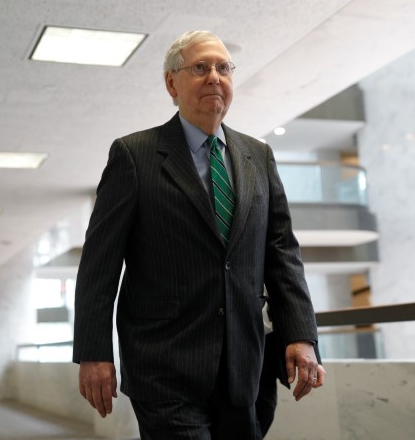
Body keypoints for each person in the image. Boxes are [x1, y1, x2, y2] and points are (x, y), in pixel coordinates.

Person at [73, 31, 324, 439]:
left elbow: (282, 253)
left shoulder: (257, 156)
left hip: (246, 366)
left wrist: (300, 335)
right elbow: (100, 264)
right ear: (172, 83)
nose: (214, 77)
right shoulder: (134, 156)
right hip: (164, 367)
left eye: (223, 68)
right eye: (200, 67)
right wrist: (94, 353)